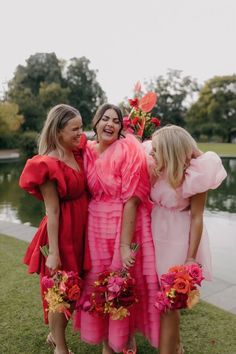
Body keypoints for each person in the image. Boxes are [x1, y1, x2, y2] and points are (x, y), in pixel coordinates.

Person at [74, 103, 160, 354]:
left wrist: (124, 245)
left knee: (122, 282)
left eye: (115, 120)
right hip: (95, 226)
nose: (110, 124)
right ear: (96, 123)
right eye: (105, 119)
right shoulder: (87, 151)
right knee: (99, 284)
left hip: (123, 223)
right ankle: (107, 343)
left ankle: (126, 340)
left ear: (121, 127)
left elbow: (133, 199)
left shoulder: (128, 150)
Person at [149, 125, 227, 354]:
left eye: (156, 149)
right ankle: (177, 346)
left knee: (169, 304)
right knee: (161, 302)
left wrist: (191, 257)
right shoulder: (156, 167)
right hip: (154, 234)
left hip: (177, 241)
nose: (151, 153)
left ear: (171, 151)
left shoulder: (196, 176)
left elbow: (196, 218)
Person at [19, 104, 89, 354]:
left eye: (81, 127)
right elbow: (53, 211)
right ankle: (60, 346)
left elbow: (100, 139)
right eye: (75, 128)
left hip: (82, 229)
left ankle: (54, 336)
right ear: (59, 131)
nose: (81, 133)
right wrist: (54, 252)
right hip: (62, 232)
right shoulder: (47, 164)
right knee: (61, 289)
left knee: (75, 287)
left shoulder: (78, 151)